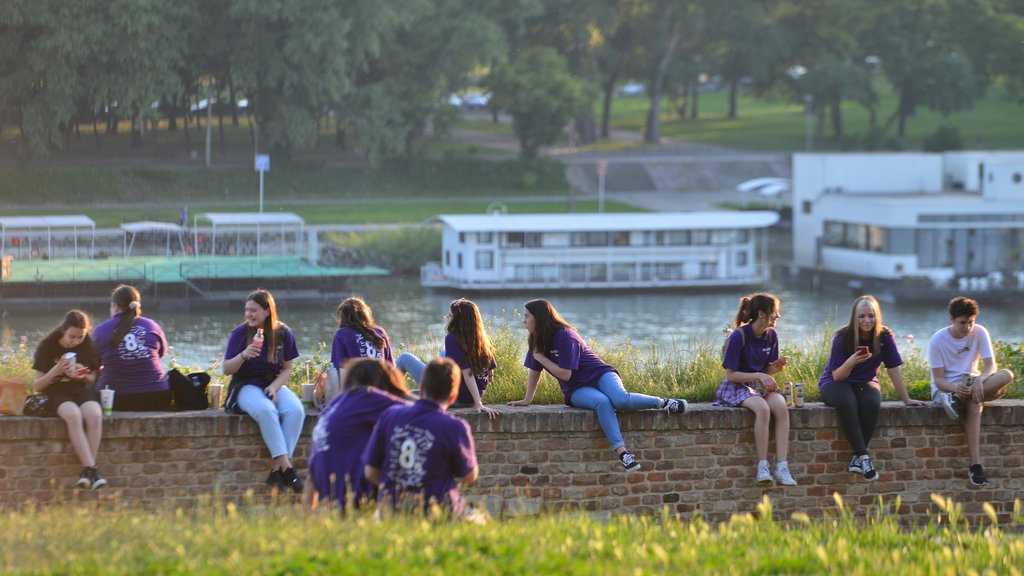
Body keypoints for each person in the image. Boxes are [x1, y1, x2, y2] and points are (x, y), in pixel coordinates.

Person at [507, 299, 687, 470]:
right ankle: (624, 454)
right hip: (576, 388)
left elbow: (565, 374)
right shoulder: (537, 340)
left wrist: (540, 357)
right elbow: (535, 370)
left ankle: (664, 402)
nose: (524, 321)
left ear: (539, 318)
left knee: (621, 400)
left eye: (527, 316)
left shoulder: (565, 336)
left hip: (600, 374)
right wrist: (527, 399)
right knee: (602, 402)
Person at [818, 296, 927, 482]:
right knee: (847, 402)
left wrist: (906, 399)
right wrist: (851, 361)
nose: (867, 320)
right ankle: (864, 457)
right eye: (862, 316)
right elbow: (838, 376)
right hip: (835, 382)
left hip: (865, 381)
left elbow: (893, 369)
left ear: (877, 316)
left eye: (871, 316)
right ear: (854, 317)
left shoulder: (884, 336)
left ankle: (857, 458)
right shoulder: (842, 337)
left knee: (872, 402)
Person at [363, 358, 478, 517]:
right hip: (436, 512)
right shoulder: (455, 427)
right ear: (453, 397)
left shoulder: (389, 416)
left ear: (422, 389)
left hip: (391, 510)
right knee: (479, 518)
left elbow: (370, 472)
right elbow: (469, 477)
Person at [222, 289, 306, 493]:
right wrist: (243, 355)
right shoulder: (240, 333)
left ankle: (277, 471)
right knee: (266, 410)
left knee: (296, 410)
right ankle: (288, 469)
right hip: (245, 385)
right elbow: (226, 369)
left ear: (267, 311)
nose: (248, 314)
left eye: (254, 310)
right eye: (246, 310)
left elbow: (287, 369)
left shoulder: (283, 333)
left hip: (272, 383)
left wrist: (274, 387)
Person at [928, 296, 1015, 486]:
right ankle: (975, 466)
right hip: (947, 389)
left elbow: (990, 366)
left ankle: (958, 401)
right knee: (975, 403)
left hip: (973, 383)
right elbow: (939, 380)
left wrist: (979, 380)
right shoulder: (937, 340)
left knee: (1006, 375)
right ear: (952, 319)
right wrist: (956, 388)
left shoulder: (979, 332)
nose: (967, 327)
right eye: (962, 323)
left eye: (971, 322)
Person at [305, 358, 411, 511]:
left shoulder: (333, 406)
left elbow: (310, 478)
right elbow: (417, 409)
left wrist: (306, 517)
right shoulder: (367, 395)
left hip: (329, 497)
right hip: (355, 495)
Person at [713, 293, 796, 486]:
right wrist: (759, 376)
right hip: (737, 385)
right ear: (761, 314)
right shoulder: (738, 336)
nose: (778, 316)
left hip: (758, 385)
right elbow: (731, 375)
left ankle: (782, 467)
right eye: (774, 312)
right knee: (763, 409)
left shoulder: (772, 335)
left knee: (781, 407)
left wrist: (774, 369)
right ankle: (762, 466)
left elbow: (765, 370)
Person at [32, 310, 106, 489]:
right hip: (55, 392)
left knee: (95, 415)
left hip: (80, 390)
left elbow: (91, 379)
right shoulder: (48, 346)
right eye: (72, 337)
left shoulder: (87, 345)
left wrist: (81, 374)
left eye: (81, 337)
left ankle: (88, 472)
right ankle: (92, 469)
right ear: (63, 330)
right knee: (73, 415)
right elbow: (37, 386)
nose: (76, 342)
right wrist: (55, 371)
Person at [395, 298, 499, 419]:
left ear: (458, 320)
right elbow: (490, 374)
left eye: (450, 316)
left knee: (404, 358)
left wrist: (479, 404)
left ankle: (382, 395)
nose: (447, 318)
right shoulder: (483, 339)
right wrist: (477, 396)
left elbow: (468, 374)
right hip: (469, 398)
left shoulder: (452, 339)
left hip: (455, 398)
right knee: (443, 353)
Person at [93, 285, 171, 411]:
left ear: (115, 306)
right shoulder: (152, 326)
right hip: (158, 396)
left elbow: (94, 363)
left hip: (116, 399)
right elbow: (160, 354)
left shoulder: (100, 330)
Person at [331, 297, 395, 386]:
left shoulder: (341, 334)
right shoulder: (379, 331)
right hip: (383, 386)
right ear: (365, 313)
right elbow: (391, 365)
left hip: (357, 388)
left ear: (343, 315)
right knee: (405, 358)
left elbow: (338, 369)